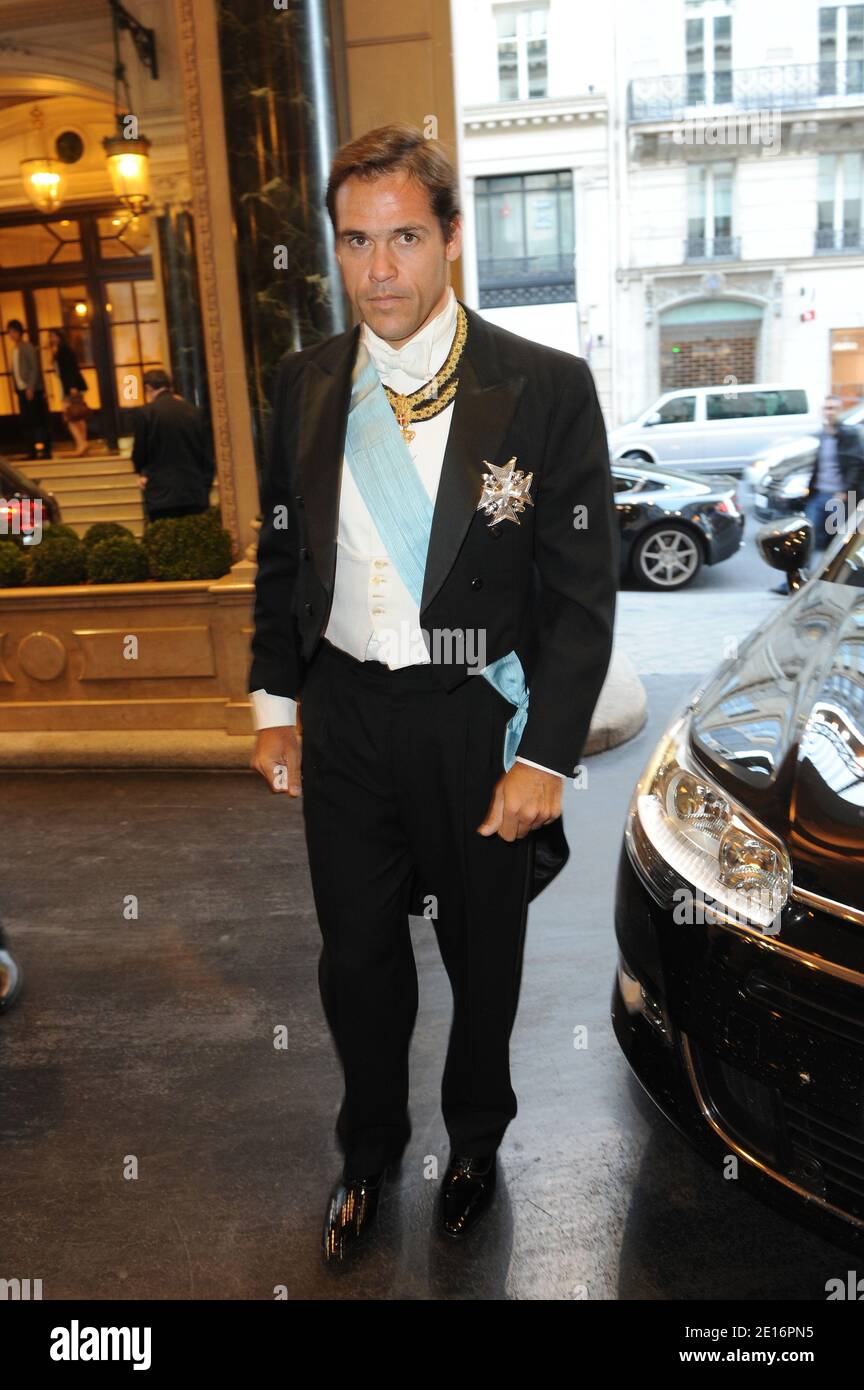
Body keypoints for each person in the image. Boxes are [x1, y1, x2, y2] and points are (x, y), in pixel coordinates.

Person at [248, 124, 618, 1262]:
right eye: (356, 242)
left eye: (406, 237)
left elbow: (581, 598)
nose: (381, 269)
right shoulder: (307, 382)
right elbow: (280, 553)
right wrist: (276, 705)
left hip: (473, 711)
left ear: (451, 237)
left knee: (481, 950)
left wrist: (544, 757)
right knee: (354, 953)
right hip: (348, 710)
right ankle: (366, 1153)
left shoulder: (544, 387)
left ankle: (475, 1140)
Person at [771, 394, 864, 594]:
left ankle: (831, 583)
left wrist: (844, 492)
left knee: (836, 542)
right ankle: (794, 582)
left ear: (839, 411)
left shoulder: (848, 435)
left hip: (839, 499)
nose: (829, 411)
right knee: (806, 539)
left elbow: (856, 465)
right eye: (826, 408)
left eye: (833, 408)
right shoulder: (822, 435)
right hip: (819, 496)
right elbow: (816, 466)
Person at [131, 369, 215, 524]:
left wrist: (141, 473)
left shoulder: (145, 413)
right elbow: (207, 455)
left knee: (163, 539)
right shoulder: (194, 412)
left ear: (149, 388)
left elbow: (139, 453)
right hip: (194, 491)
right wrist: (205, 487)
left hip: (160, 492)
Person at [6, 319, 52, 461]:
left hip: (31, 389)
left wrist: (30, 386)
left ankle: (45, 450)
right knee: (27, 421)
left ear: (20, 332)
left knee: (37, 420)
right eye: (10, 332)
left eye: (14, 331)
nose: (12, 335)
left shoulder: (27, 347)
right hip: (21, 390)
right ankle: (31, 450)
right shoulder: (15, 349)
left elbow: (34, 368)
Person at [48, 328, 89, 457]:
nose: (52, 339)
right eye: (51, 337)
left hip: (71, 387)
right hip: (70, 387)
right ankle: (83, 444)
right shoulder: (59, 350)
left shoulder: (64, 350)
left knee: (70, 416)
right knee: (78, 415)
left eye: (54, 336)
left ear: (60, 337)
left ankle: (81, 444)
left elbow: (71, 369)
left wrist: (71, 387)